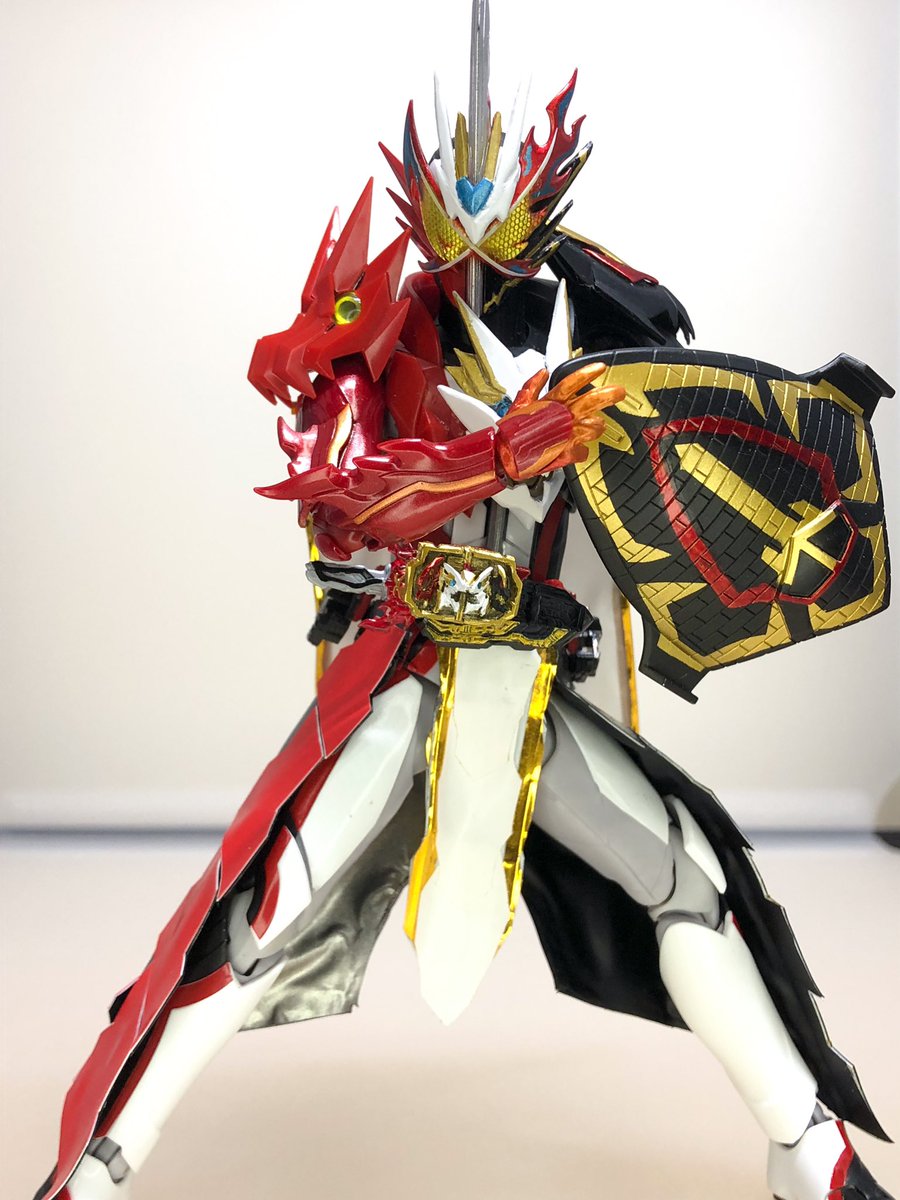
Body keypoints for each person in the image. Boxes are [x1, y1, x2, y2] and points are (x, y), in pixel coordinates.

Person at [35, 60, 893, 1200]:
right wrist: (499, 454)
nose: (482, 242)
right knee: (262, 907)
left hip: (534, 686)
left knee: (691, 879)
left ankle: (812, 1155)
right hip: (410, 676)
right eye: (458, 213)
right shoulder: (366, 333)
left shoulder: (612, 328)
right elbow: (338, 496)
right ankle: (95, 1171)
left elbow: (670, 494)